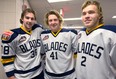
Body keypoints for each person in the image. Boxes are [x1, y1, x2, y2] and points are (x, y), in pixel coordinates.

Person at [76, 0, 116, 79]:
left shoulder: (111, 34)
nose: (87, 16)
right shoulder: (80, 33)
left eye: (91, 12)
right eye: (84, 13)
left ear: (99, 15)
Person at [1, 8, 44, 79]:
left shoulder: (38, 29)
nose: (30, 21)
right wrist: (10, 76)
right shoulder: (13, 35)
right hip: (22, 76)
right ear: (22, 19)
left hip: (38, 73)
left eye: (32, 19)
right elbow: (7, 59)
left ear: (34, 20)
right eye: (27, 18)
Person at [40, 10, 77, 79]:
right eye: (50, 20)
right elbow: (42, 53)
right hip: (49, 75)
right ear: (47, 23)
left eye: (55, 20)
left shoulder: (70, 33)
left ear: (59, 21)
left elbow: (77, 55)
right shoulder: (43, 35)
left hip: (68, 75)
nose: (53, 22)